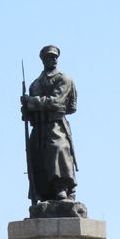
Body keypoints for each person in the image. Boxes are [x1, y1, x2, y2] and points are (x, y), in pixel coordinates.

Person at [21, 44, 78, 202]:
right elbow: (30, 111)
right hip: (39, 127)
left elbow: (56, 102)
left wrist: (31, 102)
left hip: (55, 124)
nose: (52, 59)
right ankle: (44, 191)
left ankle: (62, 187)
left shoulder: (63, 79)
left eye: (54, 56)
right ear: (43, 59)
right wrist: (26, 109)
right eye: (49, 56)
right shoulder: (36, 83)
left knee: (57, 149)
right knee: (37, 157)